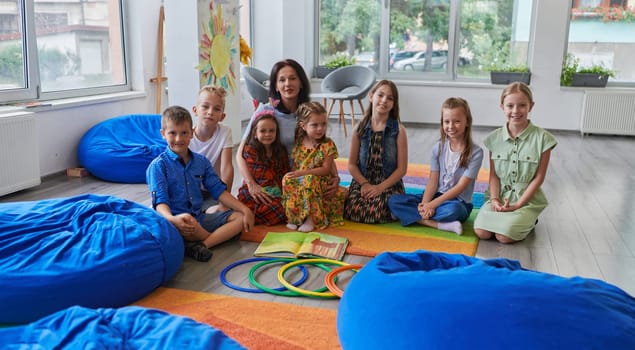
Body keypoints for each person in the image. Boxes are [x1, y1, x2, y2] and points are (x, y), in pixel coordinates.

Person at [147, 106, 255, 262]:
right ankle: (208, 240)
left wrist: (246, 210)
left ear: (192, 132)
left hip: (197, 217)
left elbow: (219, 191)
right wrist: (172, 219)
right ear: (163, 134)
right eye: (172, 133)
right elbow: (160, 202)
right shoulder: (158, 166)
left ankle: (202, 244)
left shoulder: (201, 161)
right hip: (174, 220)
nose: (179, 139)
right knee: (187, 221)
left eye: (184, 133)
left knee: (239, 218)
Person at [236, 59, 340, 208]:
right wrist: (251, 184)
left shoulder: (308, 112)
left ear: (301, 83)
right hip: (272, 176)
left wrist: (335, 177)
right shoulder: (265, 111)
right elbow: (240, 153)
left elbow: (322, 146)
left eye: (293, 78)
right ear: (276, 86)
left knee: (340, 199)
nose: (287, 84)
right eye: (282, 80)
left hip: (305, 175)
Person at [474, 82, 557, 243]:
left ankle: (530, 219)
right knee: (481, 232)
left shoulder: (543, 139)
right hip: (500, 196)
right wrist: (495, 200)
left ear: (530, 106)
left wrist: (518, 204)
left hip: (526, 200)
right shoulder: (494, 138)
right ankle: (509, 217)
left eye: (522, 105)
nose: (515, 111)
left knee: (504, 236)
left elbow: (539, 178)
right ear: (502, 107)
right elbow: (494, 176)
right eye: (510, 106)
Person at [388, 97, 483, 235]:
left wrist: (431, 205)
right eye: (447, 121)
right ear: (442, 123)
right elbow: (433, 182)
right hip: (434, 197)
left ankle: (409, 216)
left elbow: (459, 188)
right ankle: (438, 225)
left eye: (457, 121)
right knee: (393, 200)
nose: (451, 126)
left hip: (458, 202)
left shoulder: (476, 153)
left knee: (453, 211)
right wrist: (425, 204)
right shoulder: (437, 148)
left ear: (467, 122)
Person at [344, 80, 408, 224]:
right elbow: (352, 165)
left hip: (388, 184)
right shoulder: (359, 129)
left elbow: (402, 169)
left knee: (377, 209)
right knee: (353, 208)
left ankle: (393, 210)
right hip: (363, 181)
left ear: (393, 104)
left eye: (390, 98)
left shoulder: (399, 130)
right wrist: (365, 184)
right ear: (371, 96)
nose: (384, 101)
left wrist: (379, 188)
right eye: (380, 95)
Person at [282, 101, 346, 232]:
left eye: (323, 124)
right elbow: (296, 164)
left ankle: (313, 218)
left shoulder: (327, 144)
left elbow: (325, 169)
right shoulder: (299, 142)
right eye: (315, 125)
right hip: (303, 178)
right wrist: (296, 175)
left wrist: (302, 173)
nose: (320, 129)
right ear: (303, 126)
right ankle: (295, 218)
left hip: (320, 179)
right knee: (287, 179)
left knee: (309, 180)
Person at [237, 108, 289, 225]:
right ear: (255, 133)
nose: (267, 134)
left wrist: (283, 192)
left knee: (291, 203)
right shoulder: (250, 150)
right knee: (279, 208)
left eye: (271, 131)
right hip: (255, 190)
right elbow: (261, 177)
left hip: (275, 190)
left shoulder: (281, 151)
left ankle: (254, 215)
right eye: (263, 131)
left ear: (276, 133)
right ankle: (249, 214)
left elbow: (284, 173)